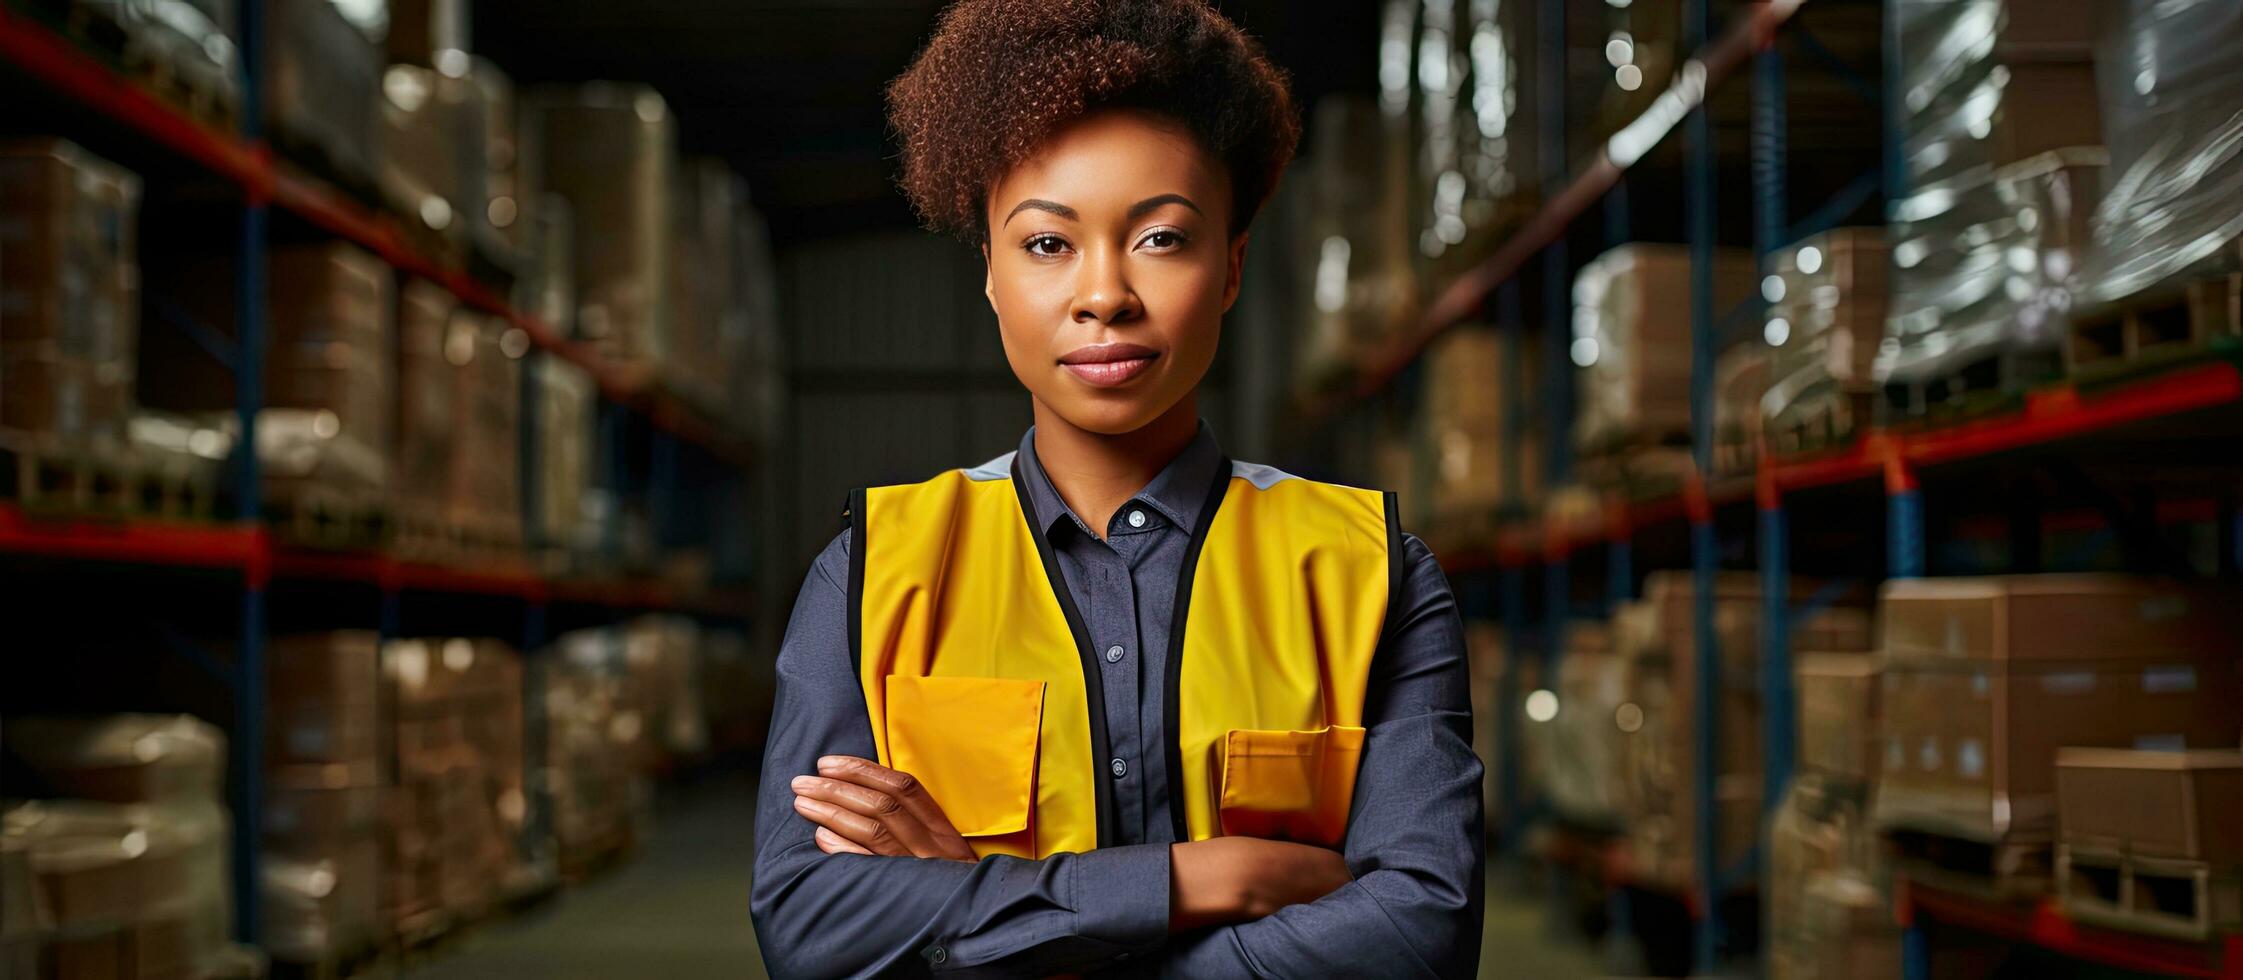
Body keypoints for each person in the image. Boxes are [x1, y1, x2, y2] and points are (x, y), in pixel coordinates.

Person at [749, 1, 1484, 975]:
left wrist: (985, 924)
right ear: (990, 275)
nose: (1103, 294)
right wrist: (1195, 878)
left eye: (1160, 238)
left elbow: (1419, 931)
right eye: (1047, 243)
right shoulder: (875, 570)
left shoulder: (1367, 568)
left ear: (1228, 267)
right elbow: (806, 923)